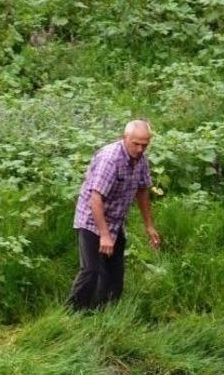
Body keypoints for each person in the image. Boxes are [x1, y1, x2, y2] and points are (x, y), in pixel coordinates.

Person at [68, 120, 161, 310]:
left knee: (114, 275)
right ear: (124, 138)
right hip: (91, 220)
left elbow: (142, 191)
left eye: (145, 144)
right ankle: (70, 314)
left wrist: (149, 226)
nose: (140, 149)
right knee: (91, 271)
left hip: (115, 221)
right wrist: (104, 235)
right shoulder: (110, 159)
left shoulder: (141, 160)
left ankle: (104, 314)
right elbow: (95, 199)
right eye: (136, 143)